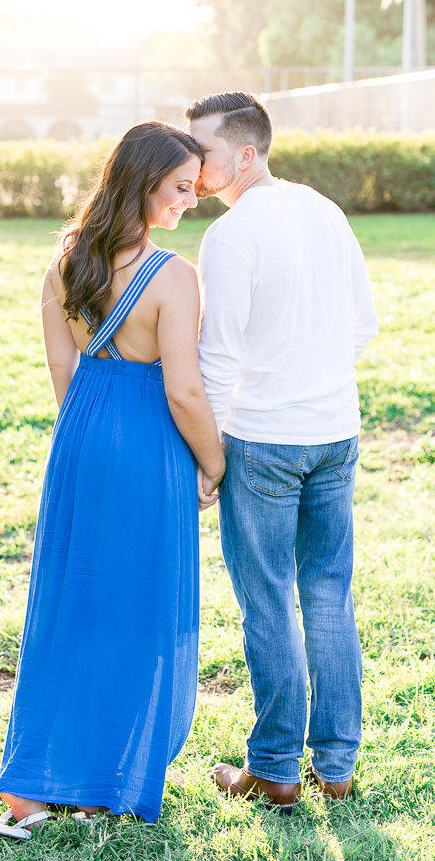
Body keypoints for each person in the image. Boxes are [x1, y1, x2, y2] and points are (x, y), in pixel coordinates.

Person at [0, 121, 226, 839]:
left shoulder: (63, 267)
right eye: (181, 187)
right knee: (140, 611)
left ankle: (34, 786)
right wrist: (213, 463)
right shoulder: (174, 277)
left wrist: (93, 438)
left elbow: (65, 377)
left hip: (81, 442)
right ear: (142, 182)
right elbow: (184, 392)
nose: (190, 200)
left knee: (70, 609)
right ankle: (106, 783)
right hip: (151, 446)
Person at [185, 91, 378, 807]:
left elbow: (216, 359)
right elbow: (365, 324)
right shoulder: (323, 209)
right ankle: (337, 768)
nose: (192, 163)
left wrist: (204, 455)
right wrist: (316, 375)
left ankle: (272, 769)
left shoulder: (231, 235)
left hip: (262, 440)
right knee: (328, 596)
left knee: (268, 602)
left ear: (244, 153)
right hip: (335, 431)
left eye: (201, 150)